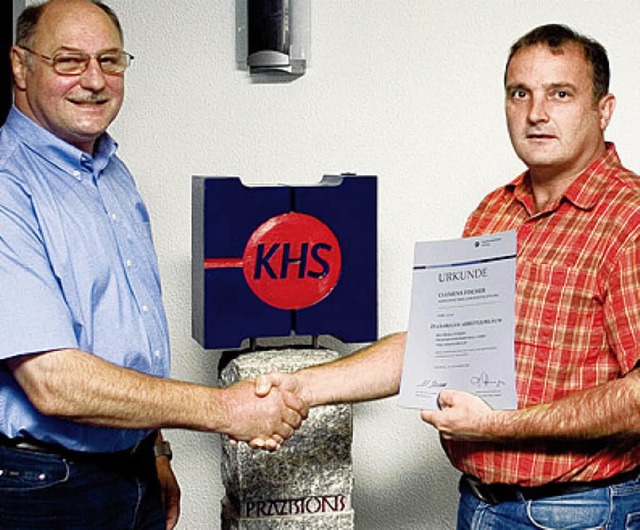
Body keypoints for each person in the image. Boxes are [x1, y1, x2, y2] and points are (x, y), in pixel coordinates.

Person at [257, 24, 640, 529]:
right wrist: (303, 389)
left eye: (561, 94)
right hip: (479, 504)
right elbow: (436, 348)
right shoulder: (494, 212)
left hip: (582, 511)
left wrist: (500, 426)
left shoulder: (629, 219)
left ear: (603, 110)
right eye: (519, 93)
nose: (536, 113)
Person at [0, 1, 306, 529]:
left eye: (110, 61)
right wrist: (226, 410)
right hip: (46, 486)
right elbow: (54, 381)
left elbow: (125, 337)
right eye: (69, 62)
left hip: (134, 468)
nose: (94, 81)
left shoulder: (112, 173)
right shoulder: (8, 184)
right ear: (21, 66)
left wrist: (156, 452)